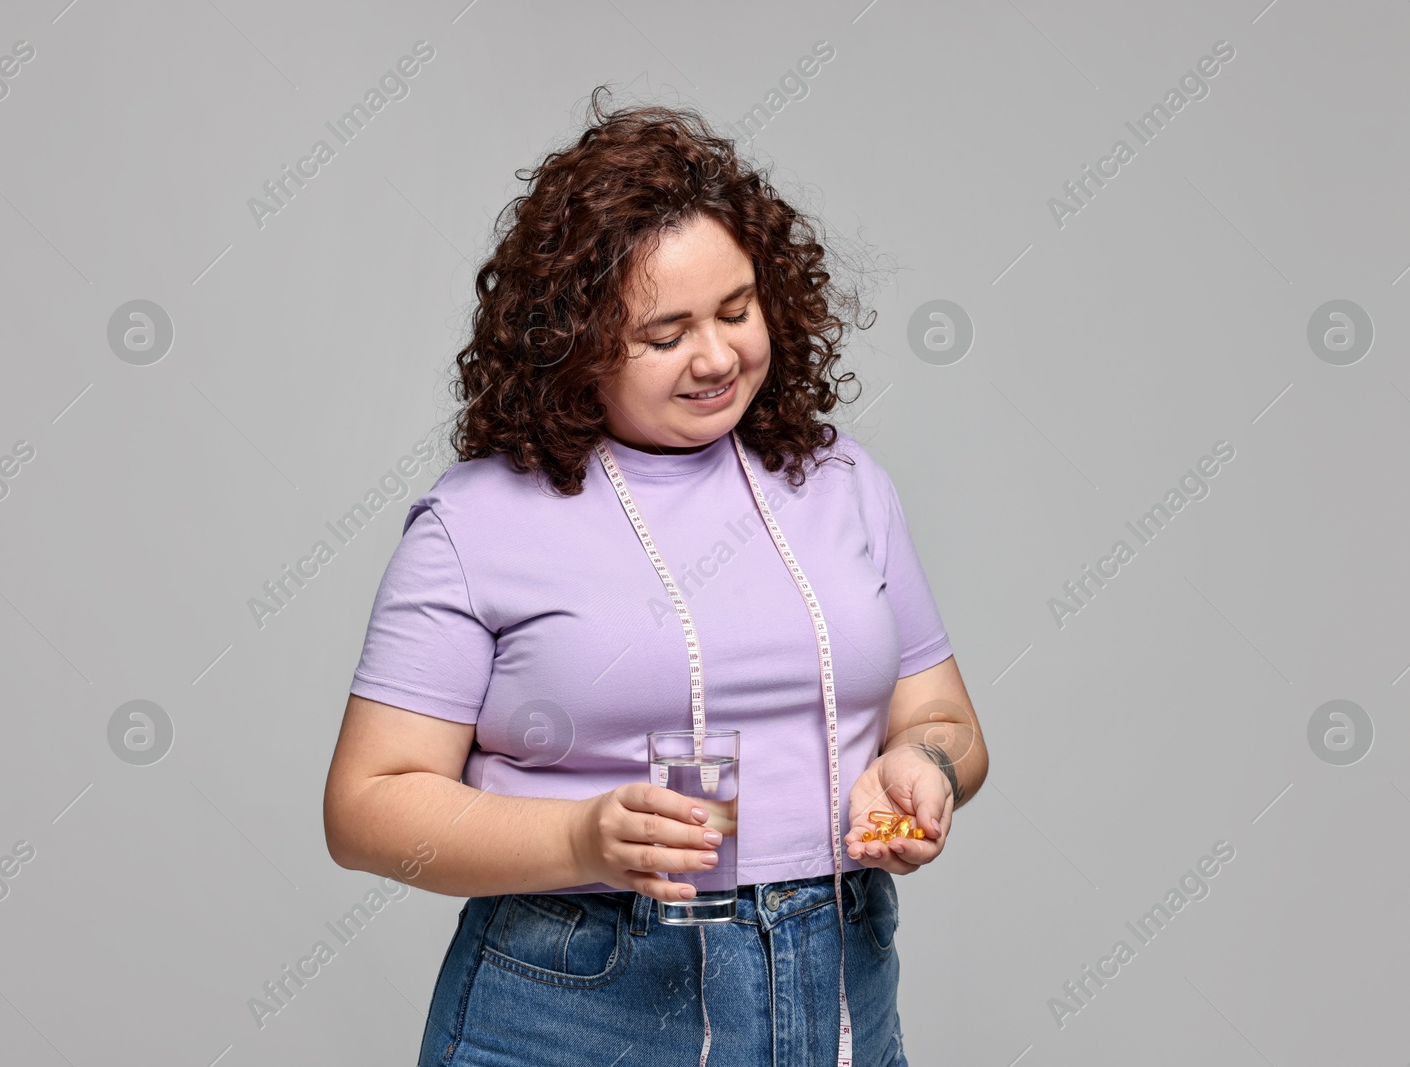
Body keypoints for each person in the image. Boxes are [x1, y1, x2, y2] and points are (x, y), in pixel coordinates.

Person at [322, 89, 988, 1067]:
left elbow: (947, 723)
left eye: (736, 310)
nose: (716, 355)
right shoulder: (476, 520)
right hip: (581, 990)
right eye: (664, 333)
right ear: (574, 339)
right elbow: (367, 802)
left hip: (834, 964)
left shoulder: (842, 482)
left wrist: (921, 768)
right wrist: (585, 837)